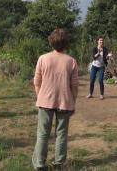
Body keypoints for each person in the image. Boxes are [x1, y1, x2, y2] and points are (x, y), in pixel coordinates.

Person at [32, 29, 79, 170]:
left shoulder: (42, 58)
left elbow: (37, 82)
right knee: (62, 134)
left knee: (42, 134)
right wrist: (73, 102)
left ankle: (40, 165)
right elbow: (74, 86)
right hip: (65, 102)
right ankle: (58, 164)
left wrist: (40, 97)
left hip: (45, 101)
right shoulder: (71, 61)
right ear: (66, 43)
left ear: (51, 42)